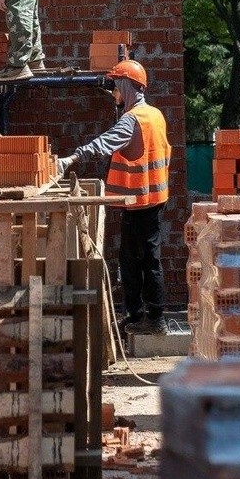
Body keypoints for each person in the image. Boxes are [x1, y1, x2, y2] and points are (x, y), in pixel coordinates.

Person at [55, 60, 171, 335]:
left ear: (126, 87)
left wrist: (71, 158)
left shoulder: (132, 120)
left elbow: (105, 142)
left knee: (135, 260)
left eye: (115, 87)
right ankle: (143, 316)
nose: (113, 94)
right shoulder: (155, 115)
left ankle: (149, 317)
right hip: (155, 198)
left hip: (140, 202)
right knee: (146, 259)